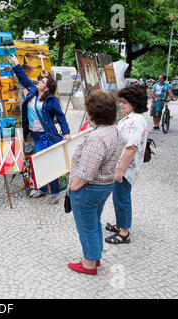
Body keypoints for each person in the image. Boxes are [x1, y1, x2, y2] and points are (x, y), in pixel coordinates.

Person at [67, 90, 125, 275]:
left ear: (93, 113)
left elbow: (85, 172)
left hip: (89, 189)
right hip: (104, 185)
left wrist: (72, 188)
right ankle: (95, 256)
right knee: (94, 222)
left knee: (87, 226)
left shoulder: (96, 138)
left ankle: (89, 264)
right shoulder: (114, 131)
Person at [9, 55, 71, 204]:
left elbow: (60, 117)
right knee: (38, 163)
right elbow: (24, 78)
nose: (39, 82)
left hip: (47, 136)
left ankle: (55, 193)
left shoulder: (51, 100)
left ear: (47, 87)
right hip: (34, 135)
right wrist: (17, 64)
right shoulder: (31, 90)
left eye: (42, 82)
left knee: (50, 163)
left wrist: (67, 132)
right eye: (40, 80)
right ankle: (43, 189)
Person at [104, 85, 149, 245]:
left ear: (134, 103)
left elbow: (131, 147)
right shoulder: (129, 118)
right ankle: (120, 224)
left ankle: (124, 233)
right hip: (122, 166)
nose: (121, 105)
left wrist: (120, 170)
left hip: (126, 168)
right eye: (120, 101)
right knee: (119, 198)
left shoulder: (136, 120)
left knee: (122, 198)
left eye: (124, 102)